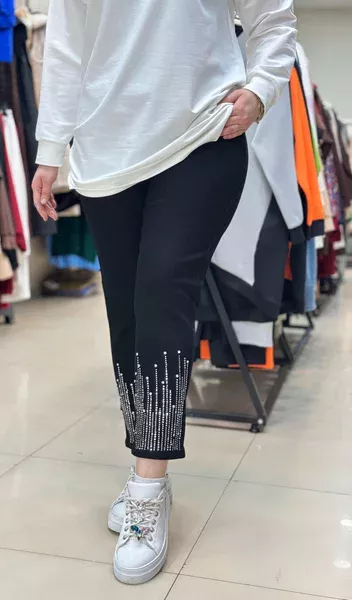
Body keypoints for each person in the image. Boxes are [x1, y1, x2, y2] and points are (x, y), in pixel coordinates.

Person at [33, 0, 297, 585]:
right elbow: (66, 48)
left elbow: (274, 18)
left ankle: (148, 485)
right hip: (106, 151)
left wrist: (261, 89)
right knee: (127, 315)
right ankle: (145, 460)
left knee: (160, 293)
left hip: (200, 135)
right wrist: (51, 150)